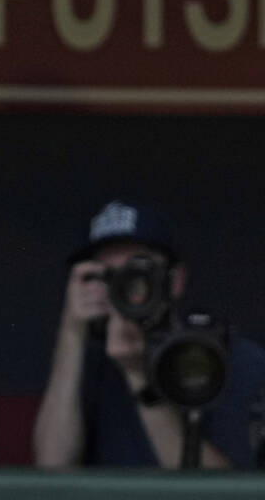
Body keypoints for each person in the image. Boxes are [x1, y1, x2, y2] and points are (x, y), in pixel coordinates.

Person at [32, 199, 265, 469]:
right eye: (107, 275)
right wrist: (72, 332)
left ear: (174, 281)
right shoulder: (91, 365)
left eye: (137, 272)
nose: (123, 287)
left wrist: (137, 376)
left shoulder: (227, 359)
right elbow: (52, 467)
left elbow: (222, 493)